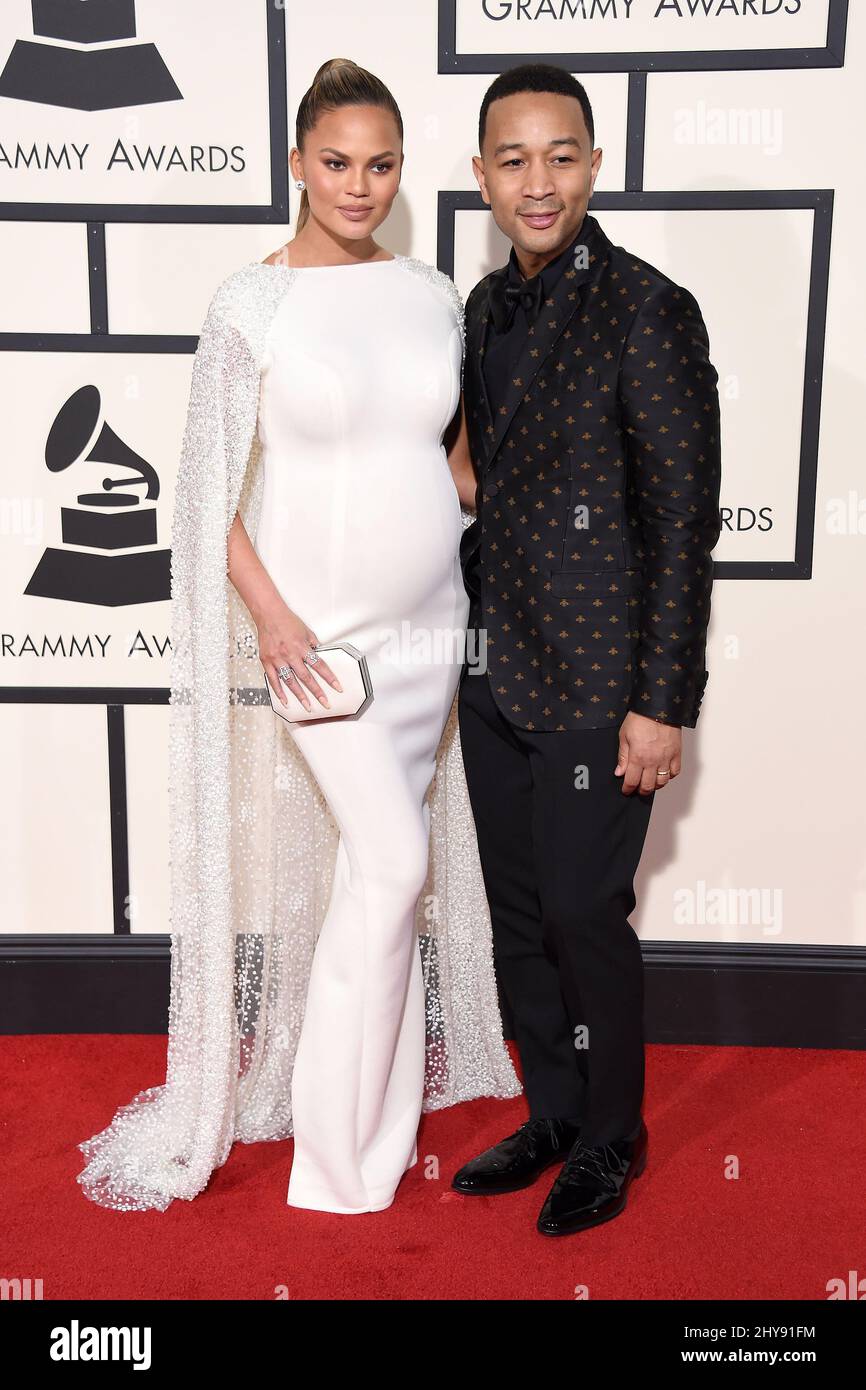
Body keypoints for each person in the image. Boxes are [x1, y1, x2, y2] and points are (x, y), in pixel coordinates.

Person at [76, 58, 520, 1216]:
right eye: (335, 162)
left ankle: (365, 1117)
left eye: (379, 164)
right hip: (313, 637)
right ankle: (337, 1161)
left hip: (430, 630)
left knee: (379, 881)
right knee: (390, 862)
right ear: (295, 163)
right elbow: (201, 497)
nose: (358, 185)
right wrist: (271, 618)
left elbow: (451, 462)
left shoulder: (427, 291)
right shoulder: (249, 304)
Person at [451, 63, 722, 1236]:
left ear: (594, 163)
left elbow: (679, 516)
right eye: (512, 160)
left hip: (597, 677)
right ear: (480, 177)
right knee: (517, 912)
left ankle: (614, 1134)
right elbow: (478, 470)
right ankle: (553, 1109)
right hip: (489, 668)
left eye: (559, 155)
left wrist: (659, 703)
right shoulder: (478, 307)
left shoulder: (648, 307)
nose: (537, 181)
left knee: (580, 907)